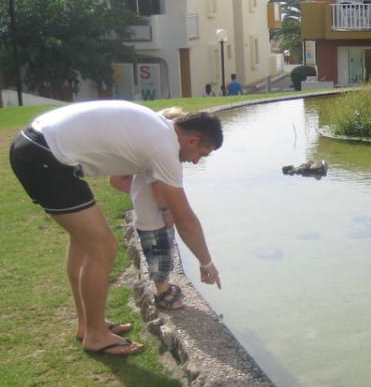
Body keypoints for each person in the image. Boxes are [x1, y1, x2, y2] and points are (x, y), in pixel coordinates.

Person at [9, 101, 223, 357]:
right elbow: (185, 220)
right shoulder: (165, 148)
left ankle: (87, 325)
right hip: (45, 158)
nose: (197, 161)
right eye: (202, 154)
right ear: (191, 140)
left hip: (35, 146)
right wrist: (206, 262)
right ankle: (96, 336)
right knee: (103, 247)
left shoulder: (157, 125)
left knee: (83, 241)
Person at [109, 107, 186, 312]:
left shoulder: (144, 156)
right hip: (155, 219)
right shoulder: (160, 157)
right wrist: (165, 210)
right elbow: (157, 186)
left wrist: (139, 196)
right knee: (160, 254)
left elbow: (115, 180)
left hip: (147, 216)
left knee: (160, 253)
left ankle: (164, 287)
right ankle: (163, 294)